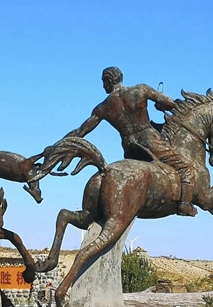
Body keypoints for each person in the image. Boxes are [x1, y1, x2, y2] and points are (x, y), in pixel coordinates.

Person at [64, 66, 198, 216]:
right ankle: (184, 205)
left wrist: (61, 144)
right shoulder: (140, 89)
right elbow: (171, 103)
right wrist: (161, 105)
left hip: (130, 148)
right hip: (151, 142)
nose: (103, 86)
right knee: (185, 168)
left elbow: (81, 131)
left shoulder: (102, 107)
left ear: (109, 81)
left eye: (103, 82)